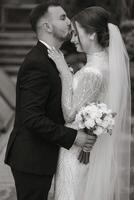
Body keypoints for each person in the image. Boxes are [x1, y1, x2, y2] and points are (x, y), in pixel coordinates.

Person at [4, 2, 97, 200]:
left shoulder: (51, 58)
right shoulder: (37, 63)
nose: (69, 22)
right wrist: (74, 137)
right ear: (46, 26)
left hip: (42, 156)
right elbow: (32, 117)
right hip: (31, 159)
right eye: (62, 18)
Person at [48, 6, 131, 200]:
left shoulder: (92, 72)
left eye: (77, 33)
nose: (73, 38)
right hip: (86, 148)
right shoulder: (105, 64)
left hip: (75, 153)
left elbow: (69, 114)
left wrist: (65, 74)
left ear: (92, 34)